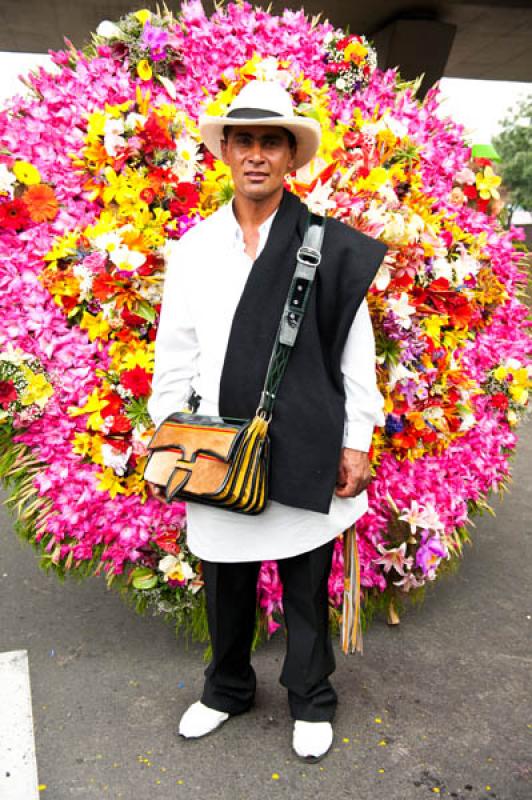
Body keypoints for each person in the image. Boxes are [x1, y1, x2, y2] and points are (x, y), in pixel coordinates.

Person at [146, 79, 387, 762]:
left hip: (305, 435)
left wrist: (356, 440)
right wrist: (169, 438)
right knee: (224, 578)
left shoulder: (329, 247)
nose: (257, 154)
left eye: (271, 142)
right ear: (224, 150)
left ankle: (311, 697)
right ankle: (226, 688)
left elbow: (354, 351)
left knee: (305, 578)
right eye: (244, 140)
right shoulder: (192, 249)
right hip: (217, 444)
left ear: (291, 157)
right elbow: (176, 354)